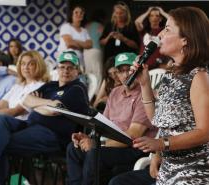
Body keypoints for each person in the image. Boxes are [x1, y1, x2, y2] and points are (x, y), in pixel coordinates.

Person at [0, 51, 90, 184]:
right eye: (62, 67)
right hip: (30, 125)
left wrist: (38, 105)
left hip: (52, 135)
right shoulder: (51, 85)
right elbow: (27, 99)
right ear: (57, 68)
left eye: (70, 67)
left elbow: (54, 111)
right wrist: (49, 103)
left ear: (77, 71)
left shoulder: (77, 89)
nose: (65, 71)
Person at [131, 6, 209, 185]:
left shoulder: (199, 77)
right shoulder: (170, 74)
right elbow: (157, 119)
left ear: (185, 39)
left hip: (193, 172)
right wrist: (145, 84)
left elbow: (205, 132)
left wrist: (161, 144)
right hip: (168, 169)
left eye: (167, 29)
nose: (159, 36)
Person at [66, 52, 157, 185]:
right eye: (121, 71)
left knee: (95, 153)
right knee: (73, 149)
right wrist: (88, 138)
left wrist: (97, 144)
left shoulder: (144, 94)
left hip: (134, 148)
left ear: (137, 70)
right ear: (116, 74)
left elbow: (132, 136)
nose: (126, 75)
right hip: (112, 144)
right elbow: (102, 125)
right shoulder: (115, 92)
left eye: (129, 70)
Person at [0, 50, 50, 122]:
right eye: (23, 64)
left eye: (31, 64)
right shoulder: (18, 86)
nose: (26, 67)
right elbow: (0, 105)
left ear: (39, 66)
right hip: (8, 122)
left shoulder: (40, 86)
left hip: (22, 125)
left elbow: (16, 111)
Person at [100, 1, 139, 68]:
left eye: (121, 13)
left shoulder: (131, 26)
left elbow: (136, 45)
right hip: (111, 59)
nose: (118, 15)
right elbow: (101, 43)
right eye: (116, 13)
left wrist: (123, 38)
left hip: (126, 60)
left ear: (126, 13)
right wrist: (109, 36)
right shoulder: (109, 25)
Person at [58, 5, 92, 71]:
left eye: (81, 13)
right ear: (71, 14)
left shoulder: (84, 30)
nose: (79, 14)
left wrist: (75, 41)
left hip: (80, 62)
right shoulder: (66, 27)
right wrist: (82, 45)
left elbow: (90, 45)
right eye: (76, 12)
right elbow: (69, 43)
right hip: (66, 61)